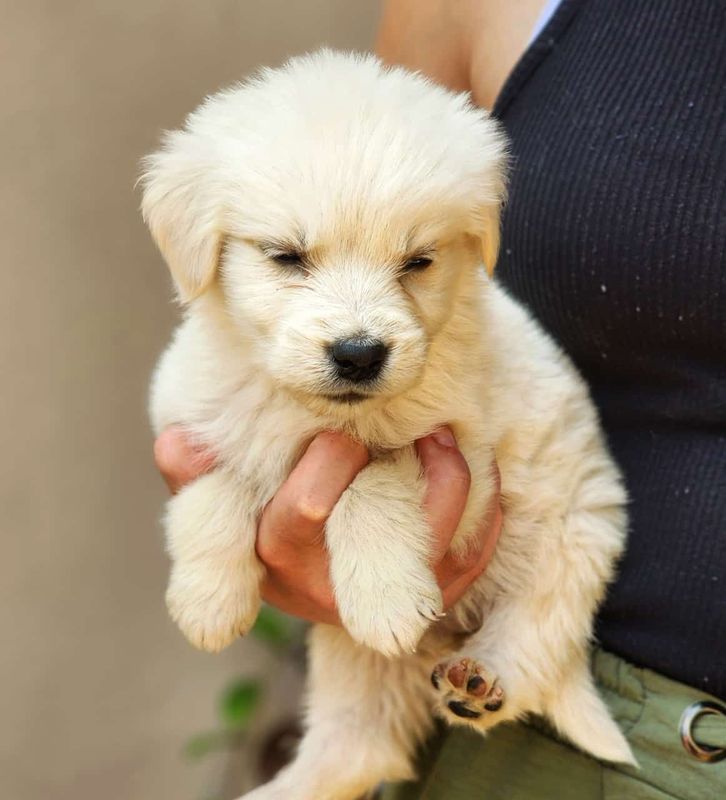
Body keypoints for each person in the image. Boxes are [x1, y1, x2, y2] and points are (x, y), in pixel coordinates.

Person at [155, 1, 726, 797]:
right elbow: (212, 465)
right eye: (289, 257)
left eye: (415, 263)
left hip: (550, 580)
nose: (360, 330)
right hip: (537, 757)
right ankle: (349, 747)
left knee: (564, 525)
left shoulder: (465, 289)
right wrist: (225, 534)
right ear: (194, 237)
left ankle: (521, 662)